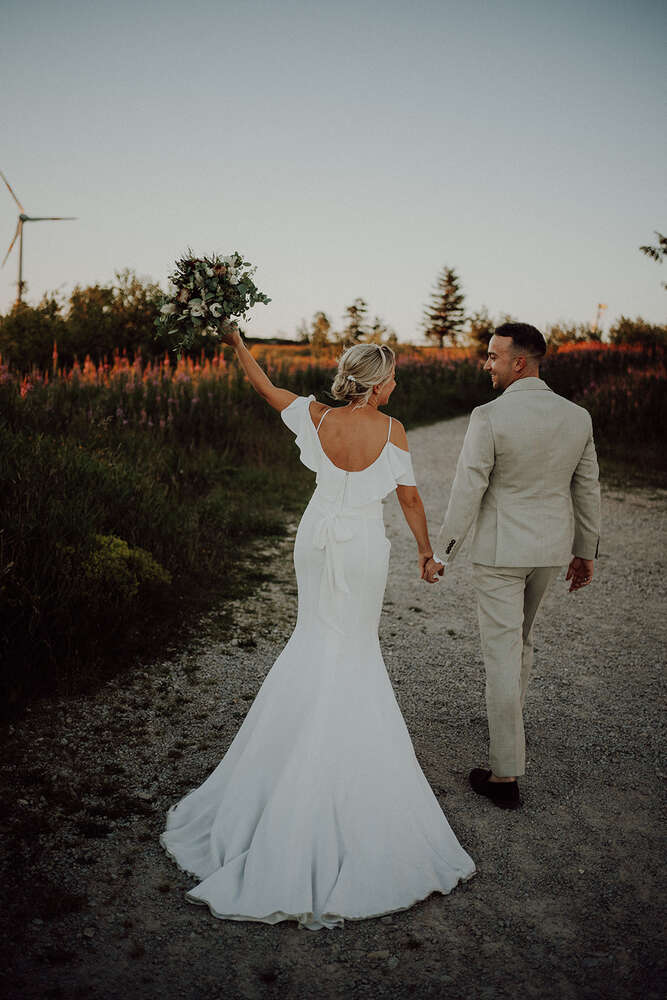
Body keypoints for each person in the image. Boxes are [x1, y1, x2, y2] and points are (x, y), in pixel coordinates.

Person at [160, 331, 475, 930]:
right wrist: (426, 553)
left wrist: (235, 342)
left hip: (316, 535)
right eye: (392, 377)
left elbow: (266, 386)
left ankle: (287, 755)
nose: (396, 385)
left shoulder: (314, 414)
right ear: (377, 383)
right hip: (361, 545)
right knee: (353, 646)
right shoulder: (392, 430)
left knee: (314, 636)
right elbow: (408, 498)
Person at [423, 323, 601, 810]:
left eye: (493, 356)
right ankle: (512, 732)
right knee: (519, 643)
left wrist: (444, 553)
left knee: (502, 654)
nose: (487, 364)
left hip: (501, 554)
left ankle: (504, 775)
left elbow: (468, 488)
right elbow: (586, 488)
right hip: (549, 550)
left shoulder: (489, 416)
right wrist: (585, 550)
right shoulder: (576, 417)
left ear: (519, 362)